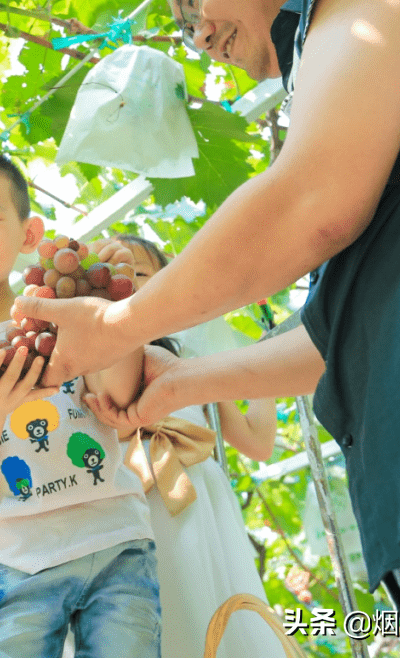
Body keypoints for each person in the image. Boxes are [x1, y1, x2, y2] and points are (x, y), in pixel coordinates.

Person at [17, 0, 400, 655]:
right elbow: (346, 334)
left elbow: (314, 198)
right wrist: (178, 382)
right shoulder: (396, 113)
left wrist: (120, 323)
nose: (199, 34)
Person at [0, 148, 161, 658]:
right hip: (18, 556)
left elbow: (119, 397)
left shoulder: (68, 311)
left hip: (116, 537)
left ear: (29, 234)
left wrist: (118, 317)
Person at [99, 234, 285, 658]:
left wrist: (268, 368)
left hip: (193, 491)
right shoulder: (81, 361)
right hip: (120, 492)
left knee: (205, 602)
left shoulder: (191, 360)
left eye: (138, 272)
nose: (121, 278)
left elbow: (256, 442)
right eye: (107, 269)